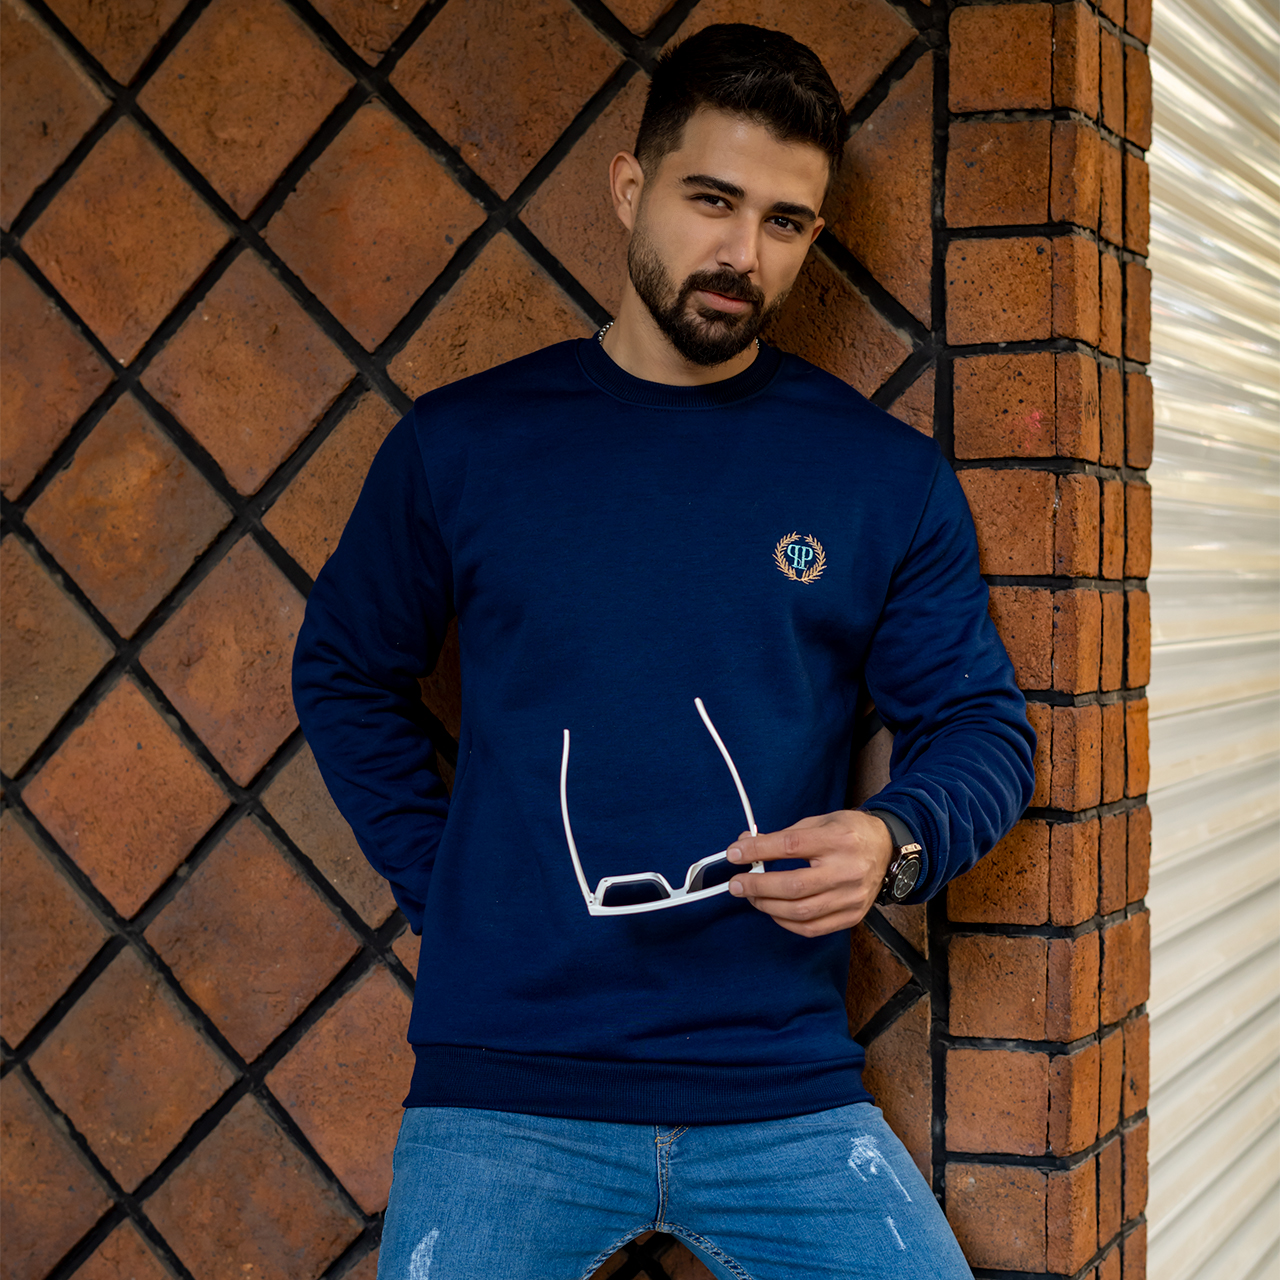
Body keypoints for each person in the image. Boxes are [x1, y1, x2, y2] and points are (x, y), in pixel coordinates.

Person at [293, 23, 1035, 1280]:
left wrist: (891, 840)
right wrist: (458, 889)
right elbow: (343, 671)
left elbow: (980, 726)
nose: (741, 253)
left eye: (784, 221)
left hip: (779, 1083)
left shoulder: (877, 477)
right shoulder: (462, 447)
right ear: (630, 187)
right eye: (710, 199)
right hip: (504, 1087)